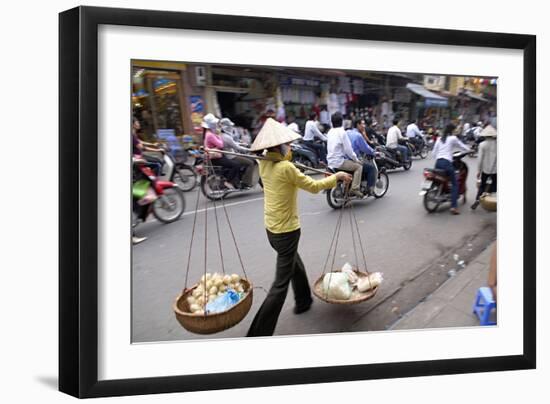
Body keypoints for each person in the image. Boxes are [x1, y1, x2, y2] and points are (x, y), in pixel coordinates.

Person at [246, 118, 352, 337]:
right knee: (279, 285)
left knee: (294, 261)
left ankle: (303, 300)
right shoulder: (286, 168)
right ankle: (258, 334)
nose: (290, 147)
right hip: (286, 231)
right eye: (287, 144)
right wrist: (338, 177)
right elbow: (314, 187)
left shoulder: (264, 163)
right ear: (278, 147)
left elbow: (259, 156)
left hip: (272, 230)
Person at [431, 123, 470, 215]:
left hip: (438, 163)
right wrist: (469, 150)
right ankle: (453, 207)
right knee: (455, 183)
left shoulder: (440, 138)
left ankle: (441, 193)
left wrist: (439, 157)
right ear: (452, 130)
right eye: (455, 129)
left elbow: (433, 153)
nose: (456, 131)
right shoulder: (453, 138)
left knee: (442, 179)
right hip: (447, 163)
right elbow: (462, 146)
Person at [327, 112, 364, 198]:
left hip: (330, 162)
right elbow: (349, 150)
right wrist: (356, 160)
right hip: (339, 162)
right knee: (359, 167)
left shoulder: (330, 132)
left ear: (332, 122)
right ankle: (355, 188)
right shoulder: (342, 132)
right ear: (341, 122)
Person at [202, 113, 240, 189]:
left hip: (217, 156)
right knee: (236, 165)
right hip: (216, 158)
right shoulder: (210, 135)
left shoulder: (209, 133)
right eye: (214, 123)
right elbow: (221, 145)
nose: (216, 125)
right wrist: (219, 135)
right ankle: (228, 181)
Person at [220, 117, 255, 188]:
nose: (231, 127)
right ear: (226, 127)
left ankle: (240, 178)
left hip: (230, 154)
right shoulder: (226, 137)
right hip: (231, 156)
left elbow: (234, 143)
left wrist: (244, 144)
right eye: (230, 126)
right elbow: (236, 147)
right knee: (251, 163)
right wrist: (248, 150)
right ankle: (246, 182)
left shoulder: (223, 135)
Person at [347, 119, 377, 195]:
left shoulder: (347, 132)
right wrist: (374, 152)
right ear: (358, 125)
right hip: (353, 159)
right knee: (371, 168)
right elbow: (365, 148)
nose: (364, 126)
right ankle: (369, 189)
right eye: (362, 124)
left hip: (345, 159)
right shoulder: (358, 135)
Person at [471, 124, 497, 210]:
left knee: (482, 186)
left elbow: (480, 159)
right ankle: (493, 202)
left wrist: (479, 171)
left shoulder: (482, 145)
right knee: (495, 186)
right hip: (495, 170)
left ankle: (478, 199)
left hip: (485, 170)